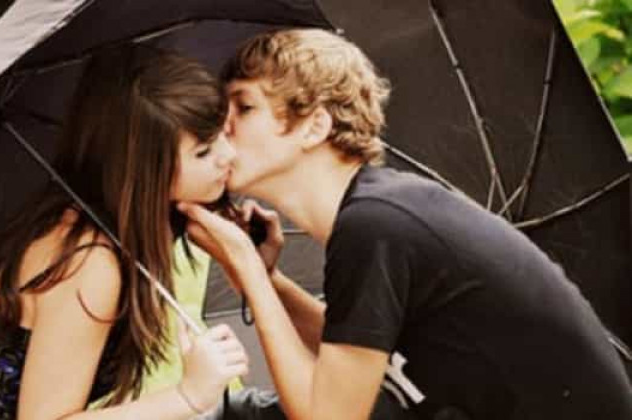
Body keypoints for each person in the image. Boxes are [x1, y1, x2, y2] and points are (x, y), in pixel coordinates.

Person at [178, 29, 632, 420]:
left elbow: (330, 415)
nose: (223, 127)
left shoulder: (376, 226)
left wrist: (250, 271)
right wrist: (269, 281)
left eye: (244, 107)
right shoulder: (378, 211)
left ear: (314, 127)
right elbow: (357, 357)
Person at [0, 44, 250, 420]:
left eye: (223, 133)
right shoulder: (87, 262)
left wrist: (255, 269)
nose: (228, 155)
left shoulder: (98, 229)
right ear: (142, 171)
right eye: (203, 152)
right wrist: (187, 396)